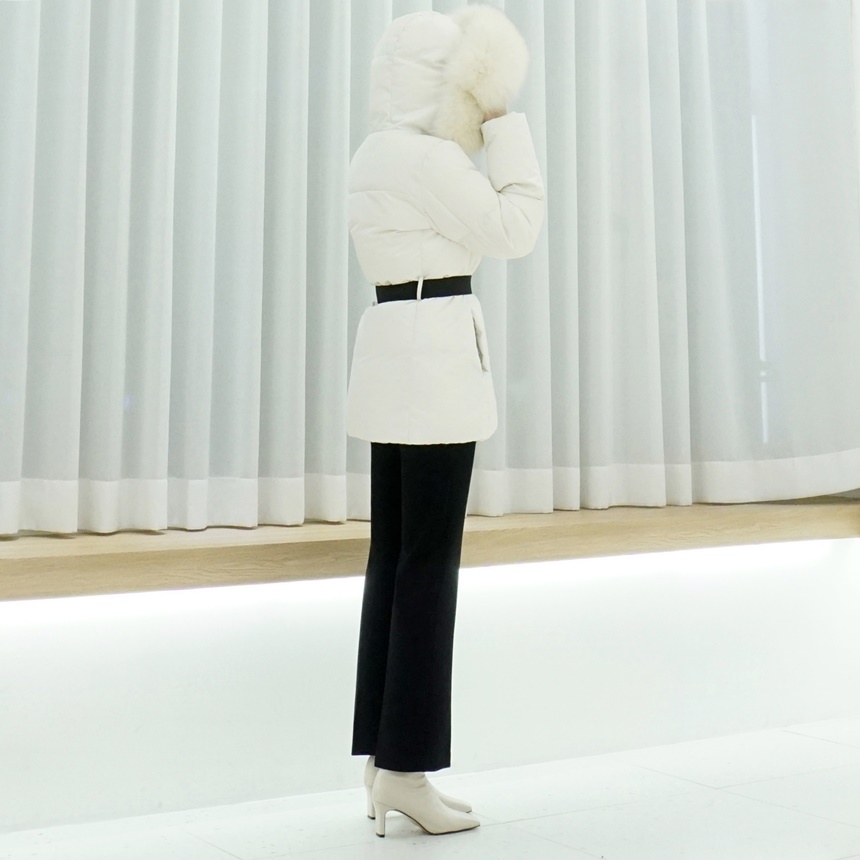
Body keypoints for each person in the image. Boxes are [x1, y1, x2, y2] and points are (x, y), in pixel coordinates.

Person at [345, 5, 545, 838]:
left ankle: (384, 763)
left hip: (393, 354)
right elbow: (517, 227)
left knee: (396, 561)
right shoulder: (426, 158)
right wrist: (504, 121)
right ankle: (406, 768)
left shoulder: (374, 151)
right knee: (428, 568)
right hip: (434, 368)